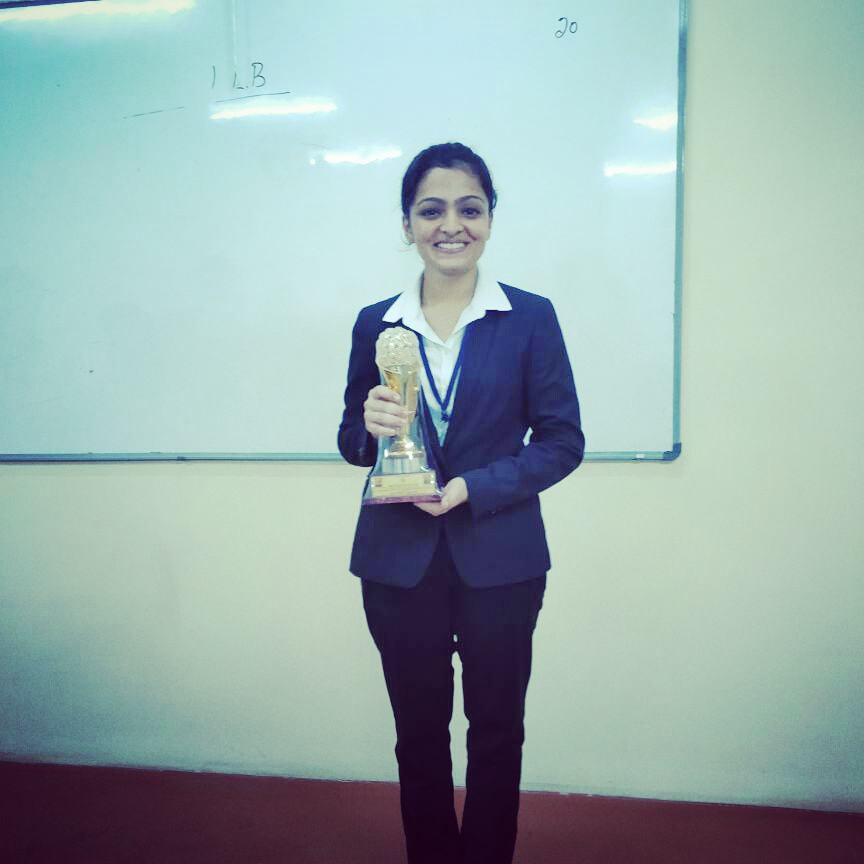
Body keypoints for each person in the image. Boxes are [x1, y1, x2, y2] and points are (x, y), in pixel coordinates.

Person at [338, 142, 584, 864]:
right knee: (417, 734)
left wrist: (477, 487)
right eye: (432, 210)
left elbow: (563, 441)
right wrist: (369, 426)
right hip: (397, 562)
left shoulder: (529, 317)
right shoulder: (376, 323)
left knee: (497, 731)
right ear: (408, 223)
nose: (452, 225)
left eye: (469, 209)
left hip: (501, 558)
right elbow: (352, 440)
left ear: (490, 218)